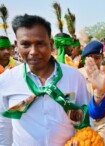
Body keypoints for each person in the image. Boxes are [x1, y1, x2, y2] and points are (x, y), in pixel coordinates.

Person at [0, 14, 90, 145]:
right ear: (16, 45)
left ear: (51, 43)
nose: (33, 51)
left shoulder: (74, 77)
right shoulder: (6, 80)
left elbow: (85, 119)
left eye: (40, 44)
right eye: (25, 44)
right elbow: (3, 124)